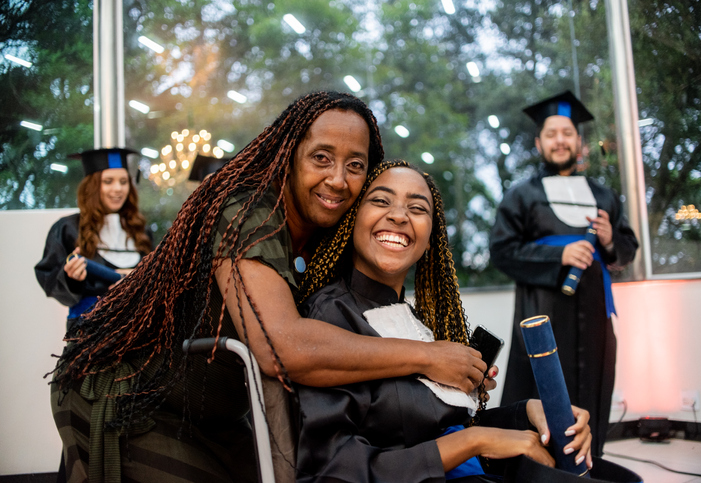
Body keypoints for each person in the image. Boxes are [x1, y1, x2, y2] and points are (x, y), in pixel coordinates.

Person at [49, 91, 487, 483]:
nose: (338, 179)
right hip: (131, 392)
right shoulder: (249, 215)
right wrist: (429, 358)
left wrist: (450, 380)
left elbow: (343, 356)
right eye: (321, 158)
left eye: (356, 166)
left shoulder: (324, 232)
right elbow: (285, 348)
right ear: (288, 155)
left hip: (212, 410)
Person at [295, 160, 593, 482]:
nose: (399, 215)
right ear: (352, 219)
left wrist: (527, 414)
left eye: (418, 208)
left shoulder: (414, 320)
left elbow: (431, 429)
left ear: (430, 237)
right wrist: (474, 440)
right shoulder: (329, 316)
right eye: (381, 201)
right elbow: (332, 469)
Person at [489, 91, 639, 457]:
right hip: (543, 315)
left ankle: (591, 465)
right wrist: (559, 255)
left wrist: (608, 239)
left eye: (567, 133)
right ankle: (536, 472)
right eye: (552, 134)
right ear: (540, 142)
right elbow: (502, 252)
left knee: (594, 388)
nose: (560, 140)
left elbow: (628, 248)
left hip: (595, 319)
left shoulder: (604, 196)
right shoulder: (521, 196)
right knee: (542, 398)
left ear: (579, 142)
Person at [34, 147, 153, 330]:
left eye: (123, 181)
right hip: (89, 329)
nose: (117, 189)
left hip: (137, 327)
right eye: (108, 181)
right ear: (93, 185)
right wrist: (71, 277)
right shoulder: (68, 229)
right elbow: (48, 279)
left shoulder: (140, 229)